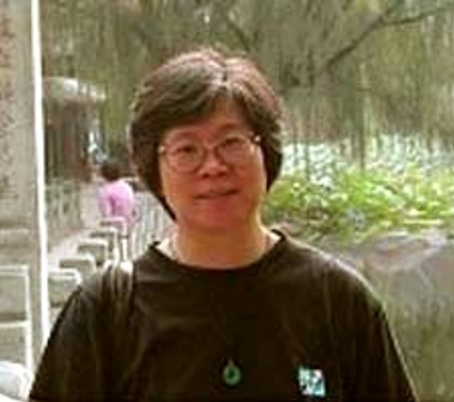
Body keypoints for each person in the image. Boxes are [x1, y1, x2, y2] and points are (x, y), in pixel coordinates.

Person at [29, 47, 417, 401]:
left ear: (266, 153)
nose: (213, 166)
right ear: (154, 169)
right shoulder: (106, 311)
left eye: (231, 143)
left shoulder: (339, 301)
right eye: (186, 149)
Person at [96, 159, 136, 229]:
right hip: (130, 225)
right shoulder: (126, 186)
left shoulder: (105, 191)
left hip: (116, 227)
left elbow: (107, 215)